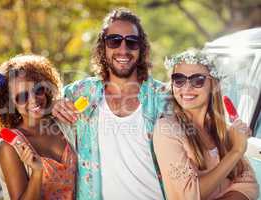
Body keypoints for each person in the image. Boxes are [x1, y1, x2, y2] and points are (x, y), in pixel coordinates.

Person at [52, 8, 170, 200]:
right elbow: (41, 105)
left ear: (141, 49)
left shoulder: (163, 97)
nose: (123, 50)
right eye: (114, 41)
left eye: (132, 42)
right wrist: (55, 103)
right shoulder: (81, 93)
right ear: (103, 46)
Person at [153, 49, 259, 200]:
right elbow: (187, 195)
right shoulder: (167, 130)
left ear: (213, 85)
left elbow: (249, 185)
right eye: (179, 79)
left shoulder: (223, 129)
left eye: (197, 80)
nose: (187, 88)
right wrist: (236, 151)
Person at [0, 55, 76, 200]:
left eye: (38, 90)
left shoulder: (63, 125)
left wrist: (57, 104)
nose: (34, 99)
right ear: (10, 104)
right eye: (22, 97)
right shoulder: (10, 147)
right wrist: (36, 172)